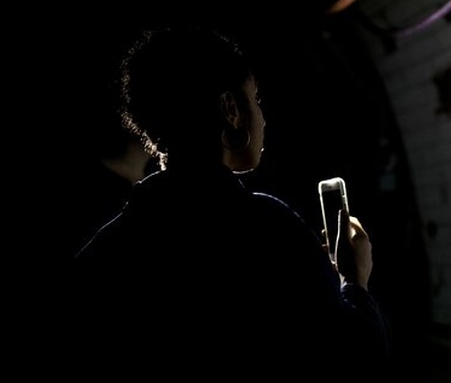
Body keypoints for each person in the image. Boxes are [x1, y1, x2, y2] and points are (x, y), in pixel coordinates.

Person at [70, 27, 391, 380]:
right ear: (230, 109)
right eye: (255, 99)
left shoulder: (105, 250)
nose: (263, 118)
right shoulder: (269, 227)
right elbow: (358, 358)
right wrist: (354, 279)